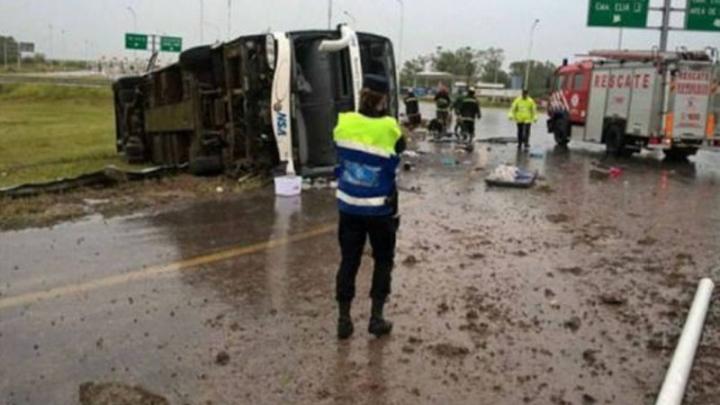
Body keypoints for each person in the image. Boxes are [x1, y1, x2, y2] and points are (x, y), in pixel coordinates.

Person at [333, 74, 406, 340]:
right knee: (383, 260)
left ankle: (344, 320)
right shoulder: (389, 127)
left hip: (349, 206)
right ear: (383, 99)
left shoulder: (344, 122)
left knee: (348, 261)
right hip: (380, 209)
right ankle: (376, 318)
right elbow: (400, 147)